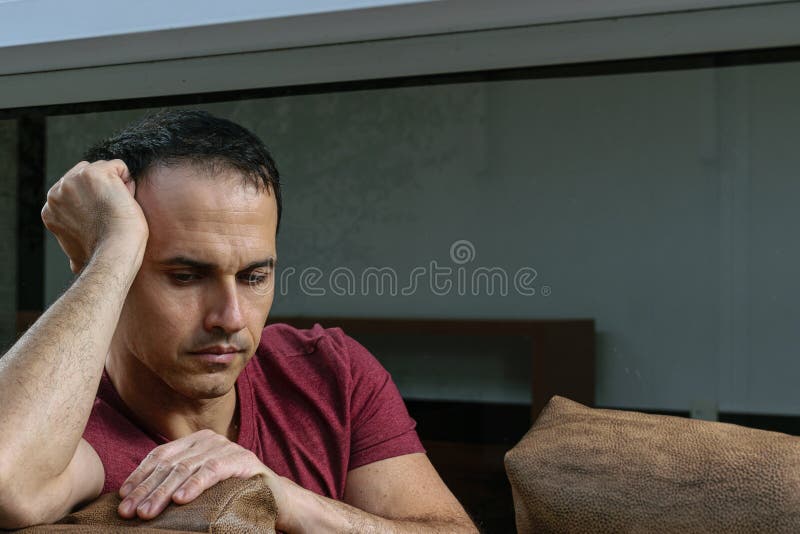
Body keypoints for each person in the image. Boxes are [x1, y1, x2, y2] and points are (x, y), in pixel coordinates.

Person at [0, 110, 477, 532]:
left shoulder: (329, 373)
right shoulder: (71, 428)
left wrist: (290, 502)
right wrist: (109, 251)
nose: (230, 318)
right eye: (185, 276)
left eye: (253, 276)